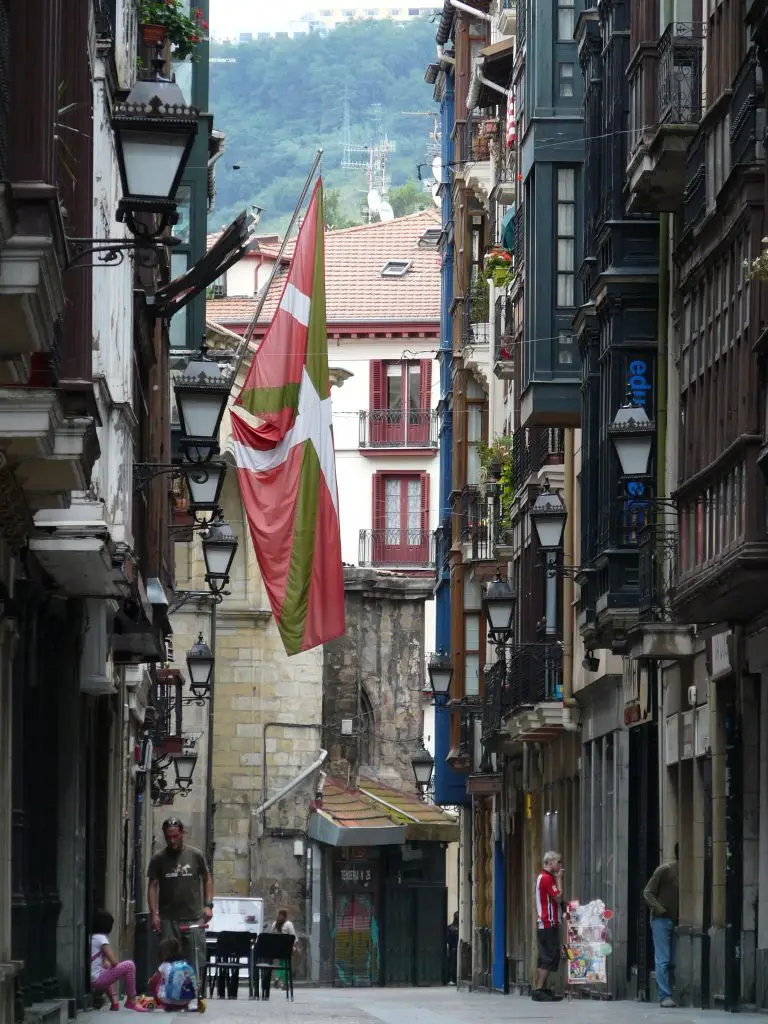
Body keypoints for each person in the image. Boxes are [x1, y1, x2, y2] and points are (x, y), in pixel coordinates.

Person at [147, 818, 213, 976]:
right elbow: (153, 886)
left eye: (175, 836)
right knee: (168, 961)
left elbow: (207, 879)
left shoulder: (195, 855)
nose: (172, 840)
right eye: (168, 837)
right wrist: (153, 913)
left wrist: (208, 905)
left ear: (182, 834)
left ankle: (192, 995)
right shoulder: (158, 859)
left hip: (194, 917)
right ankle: (169, 994)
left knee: (195, 960)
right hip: (169, 918)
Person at [90, 909, 147, 1012]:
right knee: (129, 965)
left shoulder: (92, 937)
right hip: (97, 980)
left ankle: (115, 1003)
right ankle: (131, 1000)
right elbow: (114, 961)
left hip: (90, 979)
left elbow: (105, 963)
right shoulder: (101, 938)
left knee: (107, 967)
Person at [644, 843, 679, 1008]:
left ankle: (673, 992)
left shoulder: (692, 872)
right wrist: (660, 909)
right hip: (661, 920)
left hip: (679, 920)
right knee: (663, 959)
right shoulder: (664, 870)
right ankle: (665, 995)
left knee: (672, 959)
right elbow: (647, 892)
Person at [533, 851, 565, 1002]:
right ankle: (539, 989)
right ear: (550, 862)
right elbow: (558, 897)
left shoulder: (541, 877)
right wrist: (559, 879)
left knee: (543, 958)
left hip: (543, 924)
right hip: (548, 924)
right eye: (558, 862)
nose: (560, 865)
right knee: (549, 957)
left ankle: (541, 989)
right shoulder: (546, 879)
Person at [148, 937, 197, 1011]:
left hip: (167, 1000)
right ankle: (190, 1004)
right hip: (186, 1000)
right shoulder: (184, 963)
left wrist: (150, 982)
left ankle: (162, 1003)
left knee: (157, 983)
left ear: (163, 953)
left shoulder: (164, 965)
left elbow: (154, 981)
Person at [261, 908, 297, 998]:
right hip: (286, 949)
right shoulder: (288, 924)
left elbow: (271, 936)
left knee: (281, 964)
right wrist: (294, 946)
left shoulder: (274, 924)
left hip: (276, 950)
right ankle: (283, 983)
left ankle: (278, 979)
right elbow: (293, 936)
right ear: (286, 916)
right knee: (285, 964)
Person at [446, 911, 459, 985]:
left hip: (455, 948)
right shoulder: (450, 927)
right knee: (452, 964)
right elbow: (448, 939)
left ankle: (454, 978)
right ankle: (451, 978)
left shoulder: (451, 927)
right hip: (452, 949)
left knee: (455, 964)